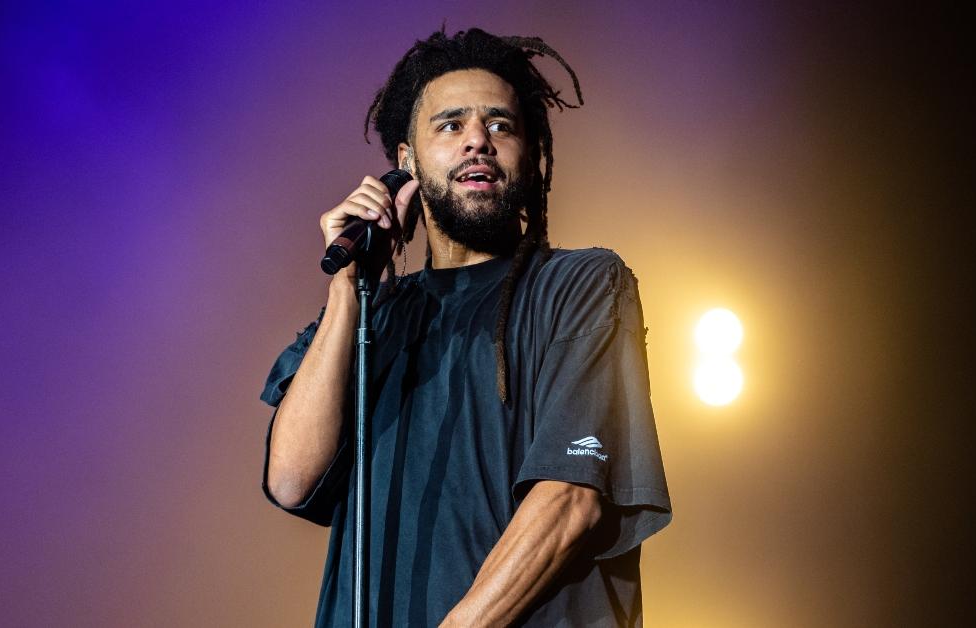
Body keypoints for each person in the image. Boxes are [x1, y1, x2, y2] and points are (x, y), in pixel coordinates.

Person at [261, 27, 672, 627]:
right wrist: (350, 288)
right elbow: (293, 479)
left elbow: (569, 500)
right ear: (405, 165)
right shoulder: (372, 315)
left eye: (501, 126)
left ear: (533, 158)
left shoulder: (580, 285)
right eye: (450, 125)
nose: (478, 141)